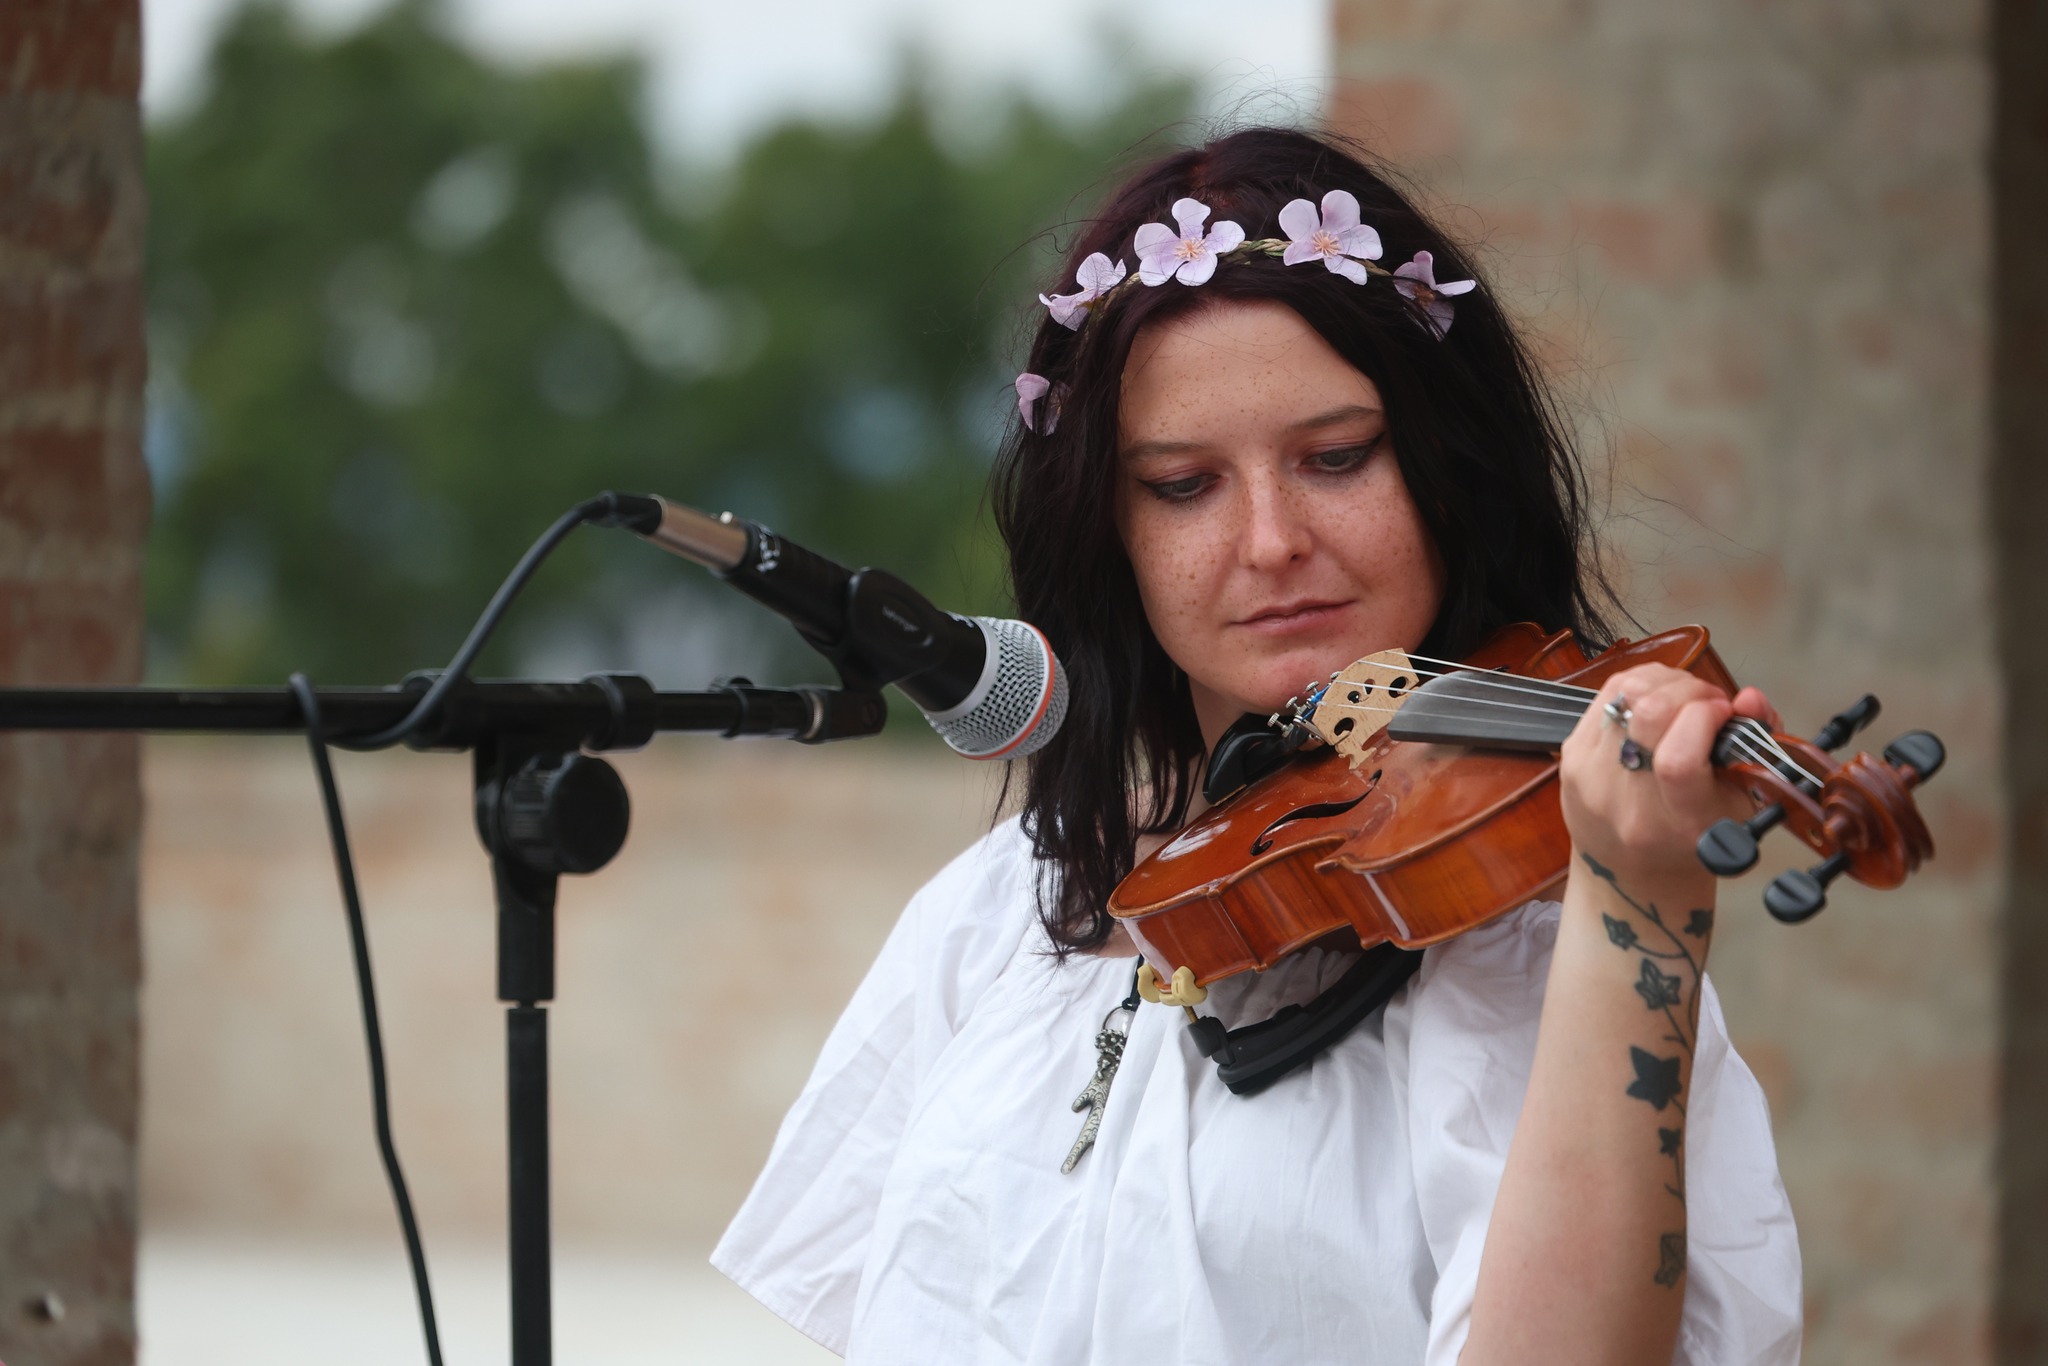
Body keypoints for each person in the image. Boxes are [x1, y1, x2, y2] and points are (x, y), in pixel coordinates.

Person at [712, 127, 1802, 1364]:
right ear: (1110, 533)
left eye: (1335, 458)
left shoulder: (1542, 957)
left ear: (1445, 473)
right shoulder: (1006, 911)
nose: (1271, 541)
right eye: (1182, 484)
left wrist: (1638, 906)